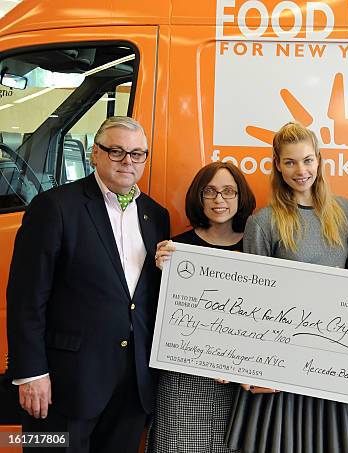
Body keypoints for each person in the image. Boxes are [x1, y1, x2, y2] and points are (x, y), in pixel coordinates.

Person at [6, 117, 170, 453]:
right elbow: (26, 297)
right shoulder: (54, 207)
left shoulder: (155, 215)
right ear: (95, 153)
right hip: (64, 384)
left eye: (138, 154)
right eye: (117, 151)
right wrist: (30, 373)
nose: (128, 161)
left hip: (130, 387)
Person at [225, 122, 348, 453]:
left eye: (307, 160)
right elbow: (251, 302)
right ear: (277, 164)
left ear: (319, 160)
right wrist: (254, 366)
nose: (300, 170)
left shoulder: (345, 212)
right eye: (290, 162)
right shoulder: (263, 221)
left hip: (333, 358)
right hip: (281, 363)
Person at [147, 161, 256, 453]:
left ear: (240, 196)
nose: (219, 200)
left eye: (228, 191)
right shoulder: (175, 249)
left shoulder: (257, 248)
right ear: (198, 196)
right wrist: (161, 271)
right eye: (210, 191)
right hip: (184, 384)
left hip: (241, 385)